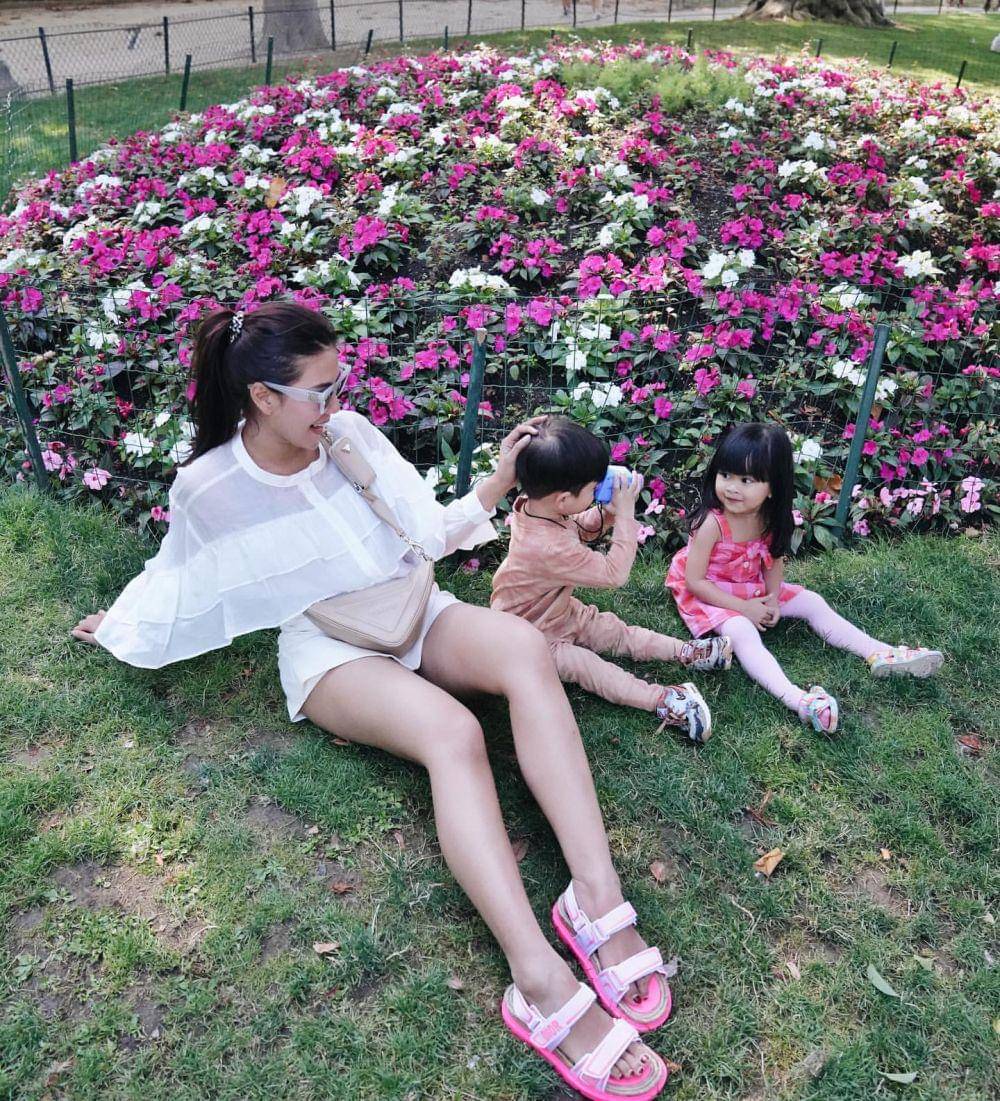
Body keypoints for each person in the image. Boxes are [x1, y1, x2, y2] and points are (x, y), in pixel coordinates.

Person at [72, 301, 673, 1100]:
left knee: (526, 650)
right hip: (331, 652)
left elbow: (426, 534)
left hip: (412, 606)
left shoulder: (349, 436)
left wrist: (497, 484)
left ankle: (596, 897)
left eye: (338, 383)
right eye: (318, 391)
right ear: (262, 397)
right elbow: (174, 574)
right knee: (453, 733)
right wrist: (120, 625)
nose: (335, 403)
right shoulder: (212, 487)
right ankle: (537, 976)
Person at [666, 423, 944, 733]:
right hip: (711, 591)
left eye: (746, 480)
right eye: (726, 475)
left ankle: (878, 652)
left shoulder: (770, 518)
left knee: (811, 601)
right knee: (742, 632)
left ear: (773, 487)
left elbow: (772, 561)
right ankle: (799, 701)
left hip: (749, 584)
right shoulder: (711, 524)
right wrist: (745, 609)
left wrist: (772, 599)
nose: (732, 487)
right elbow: (695, 582)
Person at [491, 415, 731, 744]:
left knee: (615, 632)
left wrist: (608, 512)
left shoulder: (536, 507)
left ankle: (687, 652)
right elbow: (613, 573)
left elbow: (578, 527)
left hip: (556, 610)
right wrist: (627, 515)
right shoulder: (548, 546)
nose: (596, 491)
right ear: (563, 499)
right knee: (589, 667)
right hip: (531, 637)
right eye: (592, 489)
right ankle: (663, 698)